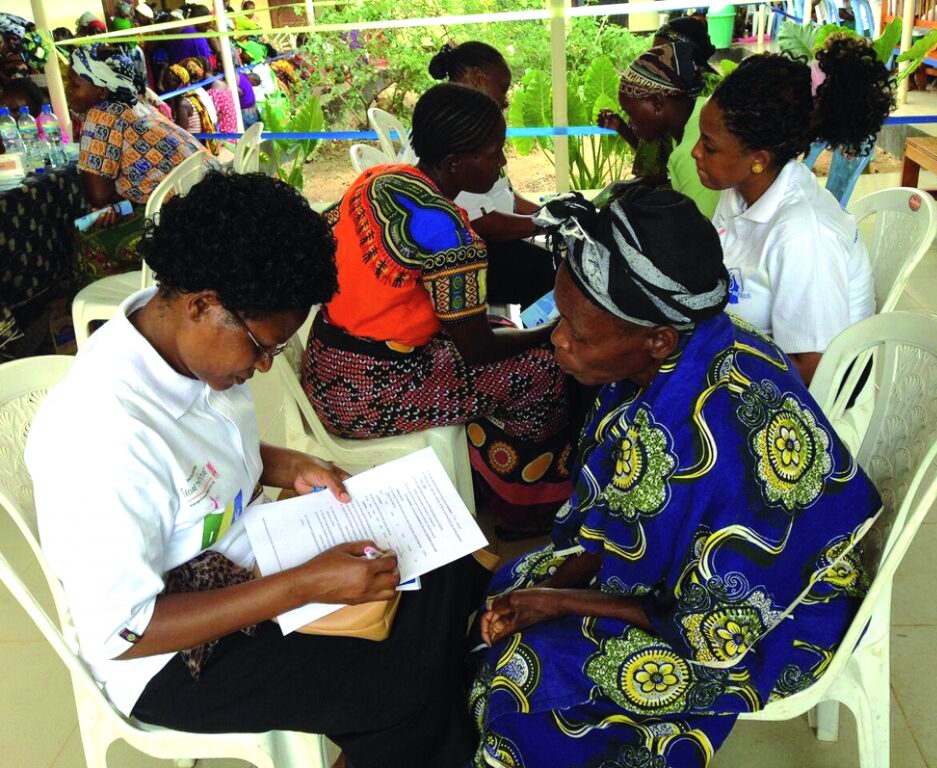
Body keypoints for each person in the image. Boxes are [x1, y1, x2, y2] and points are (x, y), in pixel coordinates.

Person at [26, 171, 490, 768]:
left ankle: (457, 724)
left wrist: (285, 463)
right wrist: (305, 585)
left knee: (442, 575)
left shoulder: (196, 354)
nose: (268, 367)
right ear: (201, 306)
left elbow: (197, 459)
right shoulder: (99, 436)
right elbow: (127, 630)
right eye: (263, 347)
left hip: (247, 558)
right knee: (396, 694)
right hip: (171, 653)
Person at [468, 186, 883, 768]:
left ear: (656, 340)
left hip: (778, 621)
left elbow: (712, 626)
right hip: (685, 592)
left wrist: (560, 602)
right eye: (560, 316)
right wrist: (560, 582)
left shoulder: (721, 429)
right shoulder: (673, 352)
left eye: (577, 332)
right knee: (513, 582)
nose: (558, 337)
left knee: (530, 669)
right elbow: (620, 513)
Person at [303, 83, 576, 539]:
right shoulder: (452, 237)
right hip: (374, 393)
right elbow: (478, 350)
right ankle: (519, 509)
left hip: (328, 366)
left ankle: (488, 467)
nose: (504, 162)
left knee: (502, 325)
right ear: (454, 164)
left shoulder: (378, 180)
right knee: (545, 371)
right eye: (494, 153)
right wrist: (550, 331)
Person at [692, 39, 894, 384]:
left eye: (709, 147)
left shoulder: (803, 235)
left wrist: (701, 372)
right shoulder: (742, 190)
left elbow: (810, 370)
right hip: (740, 363)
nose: (696, 152)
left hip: (802, 408)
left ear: (759, 160)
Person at [67, 43, 208, 283]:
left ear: (102, 91)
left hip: (187, 220)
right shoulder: (140, 106)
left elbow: (98, 197)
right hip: (207, 202)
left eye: (75, 85)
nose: (69, 91)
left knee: (88, 240)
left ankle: (115, 313)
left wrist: (116, 205)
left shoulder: (101, 114)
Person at [426, 41, 554, 307]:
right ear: (477, 79)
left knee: (549, 263)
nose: (506, 101)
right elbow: (479, 223)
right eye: (503, 88)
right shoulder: (455, 131)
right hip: (467, 251)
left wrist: (546, 213)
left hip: (480, 242)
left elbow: (502, 193)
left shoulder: (473, 125)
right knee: (544, 270)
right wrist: (546, 223)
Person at [598, 17, 720, 213]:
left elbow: (698, 228)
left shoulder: (696, 146)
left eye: (662, 55)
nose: (655, 62)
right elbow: (653, 161)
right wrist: (621, 128)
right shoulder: (683, 112)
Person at [162, 63, 220, 154]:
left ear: (180, 82)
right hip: (196, 145)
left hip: (193, 149)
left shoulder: (182, 103)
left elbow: (180, 134)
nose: (164, 86)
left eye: (167, 83)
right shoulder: (191, 96)